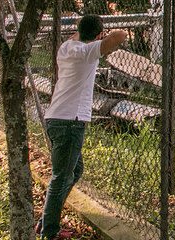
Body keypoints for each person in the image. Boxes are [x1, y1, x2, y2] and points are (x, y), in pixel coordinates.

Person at [37, 14, 127, 240]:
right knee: (62, 176)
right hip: (70, 121)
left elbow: (81, 36)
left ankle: (47, 221)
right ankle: (49, 232)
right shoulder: (88, 53)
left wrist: (88, 34)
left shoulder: (66, 47)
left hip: (56, 117)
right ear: (97, 35)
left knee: (74, 171)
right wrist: (101, 37)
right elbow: (121, 35)